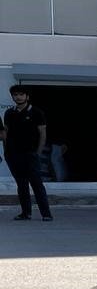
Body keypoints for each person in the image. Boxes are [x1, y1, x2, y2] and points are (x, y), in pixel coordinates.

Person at [1, 84, 53, 221]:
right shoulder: (9, 113)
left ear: (27, 96)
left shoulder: (36, 112)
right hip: (13, 155)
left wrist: (38, 152)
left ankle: (46, 214)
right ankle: (26, 213)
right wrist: (6, 152)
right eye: (15, 95)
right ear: (12, 97)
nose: (18, 97)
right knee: (21, 184)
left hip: (30, 154)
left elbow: (43, 133)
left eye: (21, 94)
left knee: (36, 184)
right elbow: (5, 132)